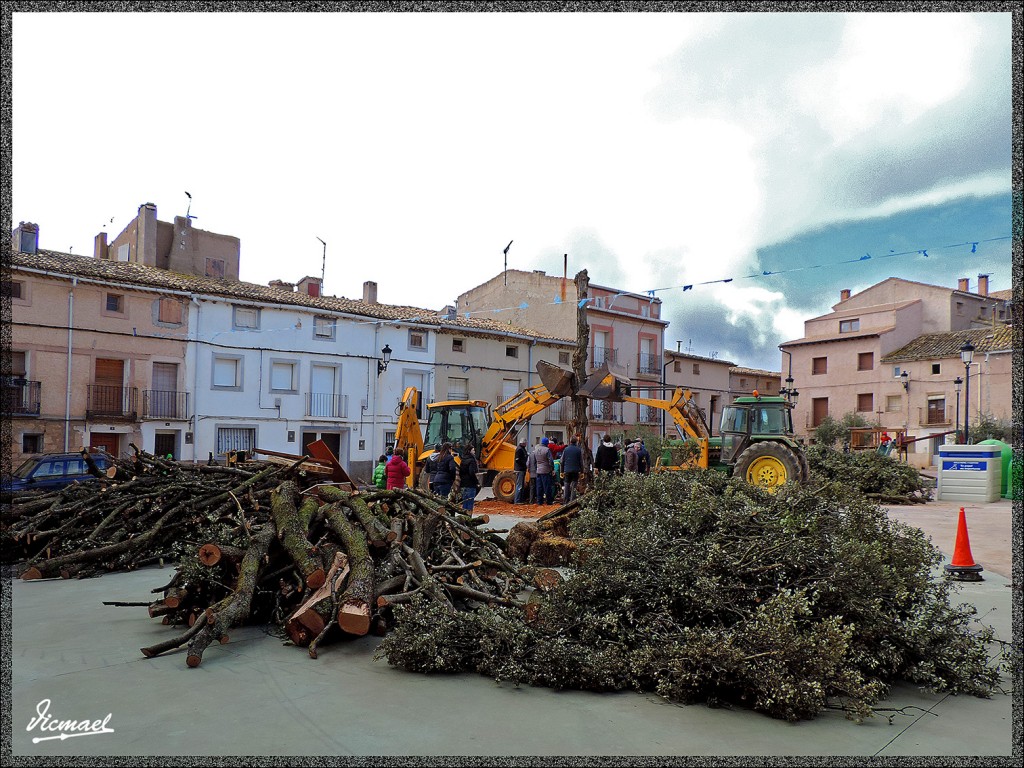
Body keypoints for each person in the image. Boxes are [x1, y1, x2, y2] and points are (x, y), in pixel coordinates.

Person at [560, 435, 583, 503]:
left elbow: (562, 461)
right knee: (574, 486)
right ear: (576, 441)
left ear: (570, 441)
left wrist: (561, 471)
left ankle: (565, 501)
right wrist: (582, 472)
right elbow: (581, 462)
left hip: (567, 470)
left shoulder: (566, 449)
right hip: (575, 470)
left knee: (566, 486)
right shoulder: (579, 450)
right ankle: (572, 501)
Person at [533, 437, 555, 505]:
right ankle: (549, 501)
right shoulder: (547, 450)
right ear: (546, 443)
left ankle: (539, 501)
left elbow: (534, 461)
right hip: (546, 470)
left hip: (538, 470)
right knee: (547, 486)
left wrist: (536, 468)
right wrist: (552, 469)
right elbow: (550, 461)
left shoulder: (536, 450)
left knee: (539, 487)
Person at [459, 444, 480, 512]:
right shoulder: (472, 460)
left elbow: (460, 472)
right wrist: (476, 481)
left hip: (463, 484)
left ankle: (463, 518)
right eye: (473, 450)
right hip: (470, 484)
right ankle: (468, 519)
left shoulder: (462, 459)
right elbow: (471, 472)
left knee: (465, 503)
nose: (474, 452)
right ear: (469, 451)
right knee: (470, 504)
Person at [514, 439, 528, 504]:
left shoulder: (522, 449)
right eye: (525, 443)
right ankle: (517, 500)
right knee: (519, 485)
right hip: (520, 469)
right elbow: (517, 460)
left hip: (521, 469)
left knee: (521, 485)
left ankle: (520, 500)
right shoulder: (520, 449)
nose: (526, 444)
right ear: (523, 443)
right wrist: (524, 464)